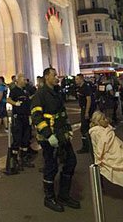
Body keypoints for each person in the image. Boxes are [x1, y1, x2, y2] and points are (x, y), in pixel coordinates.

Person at [30, 67, 80, 212]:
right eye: (54, 75)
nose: (57, 77)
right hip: (49, 138)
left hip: (61, 135)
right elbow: (36, 116)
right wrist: (48, 135)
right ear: (47, 77)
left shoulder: (57, 92)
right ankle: (49, 198)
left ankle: (64, 195)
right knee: (51, 167)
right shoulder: (40, 95)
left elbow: (62, 113)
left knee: (70, 162)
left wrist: (68, 129)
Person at [7, 73, 35, 168]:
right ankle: (14, 160)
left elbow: (28, 101)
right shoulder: (14, 90)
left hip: (26, 117)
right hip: (18, 117)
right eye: (23, 79)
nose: (25, 81)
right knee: (17, 139)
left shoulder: (25, 91)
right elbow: (8, 99)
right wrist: (15, 103)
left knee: (26, 138)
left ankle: (24, 158)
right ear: (17, 80)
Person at [75, 74, 94, 154]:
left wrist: (86, 112)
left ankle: (86, 147)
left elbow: (88, 100)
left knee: (84, 129)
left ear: (81, 79)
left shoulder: (85, 87)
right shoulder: (80, 88)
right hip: (83, 109)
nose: (76, 81)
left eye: (77, 79)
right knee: (85, 129)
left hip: (86, 110)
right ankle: (88, 146)